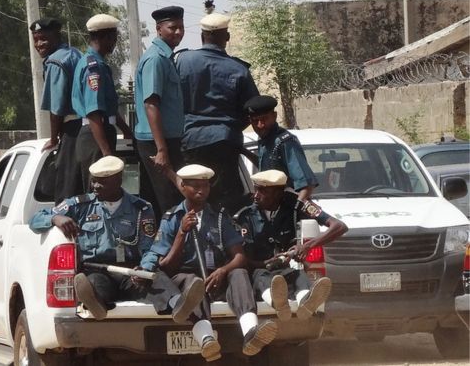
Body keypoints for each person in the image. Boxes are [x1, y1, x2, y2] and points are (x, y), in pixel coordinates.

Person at [30, 156, 204, 323]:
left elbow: (151, 247)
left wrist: (145, 268)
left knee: (156, 278)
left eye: (102, 182)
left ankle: (178, 306)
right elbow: (35, 219)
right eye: (94, 181)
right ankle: (95, 304)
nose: (95, 186)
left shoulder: (141, 208)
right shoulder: (80, 205)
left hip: (131, 271)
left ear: (118, 180)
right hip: (97, 269)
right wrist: (56, 219)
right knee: (94, 284)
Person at [141, 164, 277, 362]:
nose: (201, 190)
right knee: (192, 281)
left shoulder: (220, 217)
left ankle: (250, 333)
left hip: (215, 276)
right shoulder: (171, 218)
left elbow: (239, 257)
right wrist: (181, 232)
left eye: (205, 186)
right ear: (183, 187)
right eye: (195, 186)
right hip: (186, 278)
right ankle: (206, 339)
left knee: (239, 273)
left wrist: (223, 270)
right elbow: (166, 266)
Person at [234, 170, 348, 321]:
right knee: (262, 277)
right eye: (256, 189)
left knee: (298, 274)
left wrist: (307, 246)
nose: (256, 195)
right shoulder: (246, 215)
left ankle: (306, 302)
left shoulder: (296, 204)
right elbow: (242, 258)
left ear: (278, 193)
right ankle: (279, 304)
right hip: (259, 270)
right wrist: (266, 263)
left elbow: (339, 226)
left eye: (263, 191)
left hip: (286, 267)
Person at [175, 13, 260, 213]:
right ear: (227, 37)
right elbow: (254, 108)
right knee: (226, 202)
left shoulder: (183, 60)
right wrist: (230, 127)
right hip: (225, 142)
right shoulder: (239, 69)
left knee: (193, 197)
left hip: (191, 141)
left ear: (202, 36)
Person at [71, 14, 133, 192]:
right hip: (95, 136)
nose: (115, 43)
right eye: (114, 38)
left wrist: (127, 131)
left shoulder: (96, 63)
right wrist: (106, 152)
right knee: (99, 192)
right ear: (105, 37)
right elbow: (94, 113)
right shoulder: (93, 68)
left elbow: (109, 108)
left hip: (100, 132)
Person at [134, 6, 186, 217]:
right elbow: (151, 104)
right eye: (172, 27)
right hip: (158, 143)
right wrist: (162, 150)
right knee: (170, 204)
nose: (178, 32)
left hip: (166, 141)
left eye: (181, 27)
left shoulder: (166, 57)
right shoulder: (155, 59)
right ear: (159, 29)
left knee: (163, 203)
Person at [30, 18, 83, 203]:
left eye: (44, 39)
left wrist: (53, 139)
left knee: (66, 193)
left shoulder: (55, 62)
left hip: (73, 129)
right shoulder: (75, 53)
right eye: (36, 39)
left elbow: (57, 108)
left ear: (56, 36)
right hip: (88, 126)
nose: (39, 44)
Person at [245, 95, 318, 201]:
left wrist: (294, 210)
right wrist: (243, 151)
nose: (260, 125)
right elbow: (268, 167)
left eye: (264, 119)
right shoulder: (264, 140)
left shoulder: (285, 142)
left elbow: (306, 186)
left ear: (274, 116)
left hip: (286, 206)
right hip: (271, 206)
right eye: (255, 121)